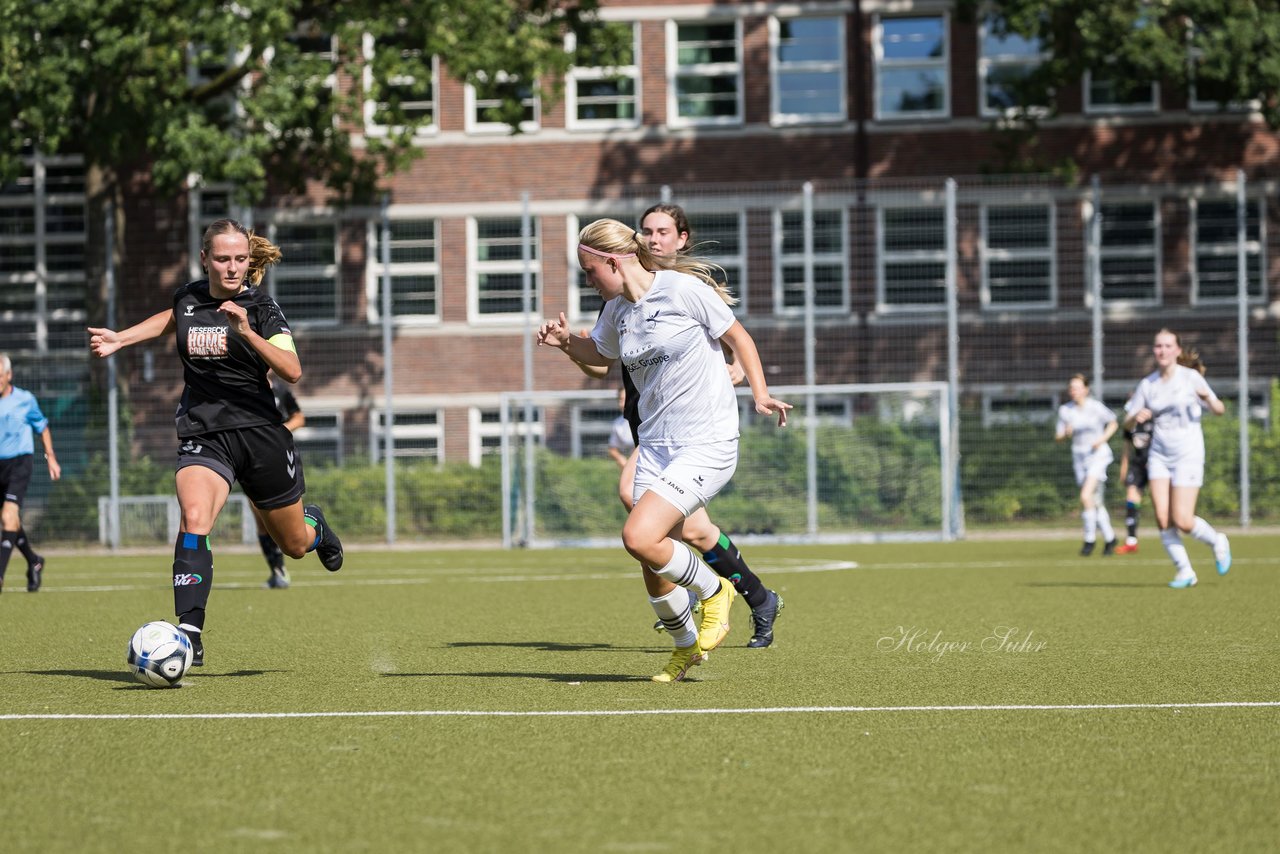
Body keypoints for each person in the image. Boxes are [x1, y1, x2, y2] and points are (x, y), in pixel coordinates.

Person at [538, 217, 791, 683]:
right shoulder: (617, 311)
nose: (588, 281)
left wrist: (759, 393)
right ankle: (685, 648)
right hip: (656, 445)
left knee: (638, 536)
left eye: (590, 271)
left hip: (705, 441)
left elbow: (739, 338)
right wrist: (566, 344)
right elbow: (600, 355)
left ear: (614, 261)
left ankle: (716, 590)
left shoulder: (681, 290)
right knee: (652, 559)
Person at [88, 219, 344, 664]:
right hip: (204, 433)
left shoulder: (262, 308)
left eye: (240, 260)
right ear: (204, 258)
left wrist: (246, 332)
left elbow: (292, 370)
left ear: (249, 261)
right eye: (223, 259)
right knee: (194, 516)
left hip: (262, 436)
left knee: (294, 546)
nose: (232, 268)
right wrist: (122, 338)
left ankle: (316, 525)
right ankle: (189, 629)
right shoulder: (187, 297)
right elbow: (174, 318)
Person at [1123, 329, 1230, 589]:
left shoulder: (1190, 378)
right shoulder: (1148, 385)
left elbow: (1219, 410)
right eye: (1158, 346)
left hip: (1188, 454)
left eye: (1167, 346)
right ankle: (1185, 571)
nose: (1162, 350)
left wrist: (1207, 398)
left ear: (1177, 350)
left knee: (1182, 519)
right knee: (1162, 518)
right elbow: (1126, 420)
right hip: (1159, 455)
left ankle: (1217, 541)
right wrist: (1135, 417)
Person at [0, 354, 61, 594]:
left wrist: (51, 457)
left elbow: (42, 427)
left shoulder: (25, 400)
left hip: (19, 463)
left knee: (8, 515)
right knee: (10, 521)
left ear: (8, 375)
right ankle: (34, 561)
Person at [1055, 373, 1118, 556]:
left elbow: (1113, 422)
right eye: (1071, 388)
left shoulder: (1095, 407)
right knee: (1094, 501)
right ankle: (1110, 538)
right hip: (1079, 456)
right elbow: (1058, 436)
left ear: (1086, 389)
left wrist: (1101, 439)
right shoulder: (1066, 410)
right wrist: (1065, 434)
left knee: (1085, 496)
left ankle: (1089, 540)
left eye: (1076, 387)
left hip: (1098, 455)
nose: (1073, 391)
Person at [255, 377, 306, 588]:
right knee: (260, 517)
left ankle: (315, 526)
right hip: (253, 456)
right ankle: (277, 570)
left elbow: (299, 417)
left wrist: (279, 432)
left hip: (281, 454)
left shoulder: (280, 390)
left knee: (288, 521)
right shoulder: (242, 383)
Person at [1114, 410, 1153, 554]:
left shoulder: (1155, 421)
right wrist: (1123, 470)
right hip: (1137, 467)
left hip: (1155, 465)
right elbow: (1126, 449)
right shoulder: (1130, 426)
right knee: (1131, 499)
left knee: (1161, 503)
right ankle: (1131, 541)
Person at [606, 386, 633, 469]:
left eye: (625, 399)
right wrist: (621, 458)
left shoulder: (647, 419)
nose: (621, 404)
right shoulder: (618, 423)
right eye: (620, 400)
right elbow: (612, 448)